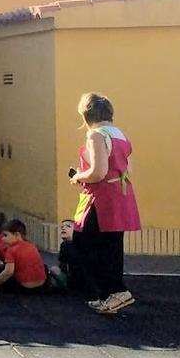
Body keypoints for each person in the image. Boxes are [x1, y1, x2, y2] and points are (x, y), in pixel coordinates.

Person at [69, 92, 140, 314]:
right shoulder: (120, 135)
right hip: (120, 192)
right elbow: (128, 168)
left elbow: (97, 172)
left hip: (102, 198)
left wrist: (78, 176)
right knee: (111, 244)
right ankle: (111, 294)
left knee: (85, 242)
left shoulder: (95, 136)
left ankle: (115, 290)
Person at [0, 219, 47, 293]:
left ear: (17, 235)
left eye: (5, 235)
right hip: (42, 285)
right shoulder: (31, 245)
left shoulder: (11, 249)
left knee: (0, 273)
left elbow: (8, 272)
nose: (2, 239)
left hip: (25, 288)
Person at [50, 219, 84, 293]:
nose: (63, 228)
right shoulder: (84, 243)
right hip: (90, 284)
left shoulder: (65, 245)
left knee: (53, 269)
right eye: (62, 227)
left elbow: (62, 266)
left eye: (68, 226)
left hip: (75, 284)